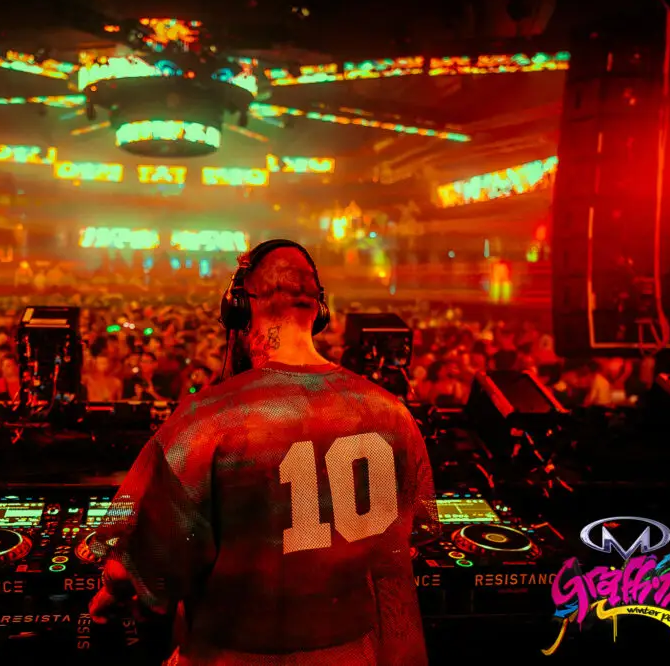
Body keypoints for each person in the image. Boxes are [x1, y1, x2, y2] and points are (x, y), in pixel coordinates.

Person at [89, 240, 438, 665]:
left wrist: (108, 599)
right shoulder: (392, 413)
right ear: (318, 311)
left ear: (239, 307)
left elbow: (131, 566)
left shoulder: (208, 419)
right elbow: (412, 539)